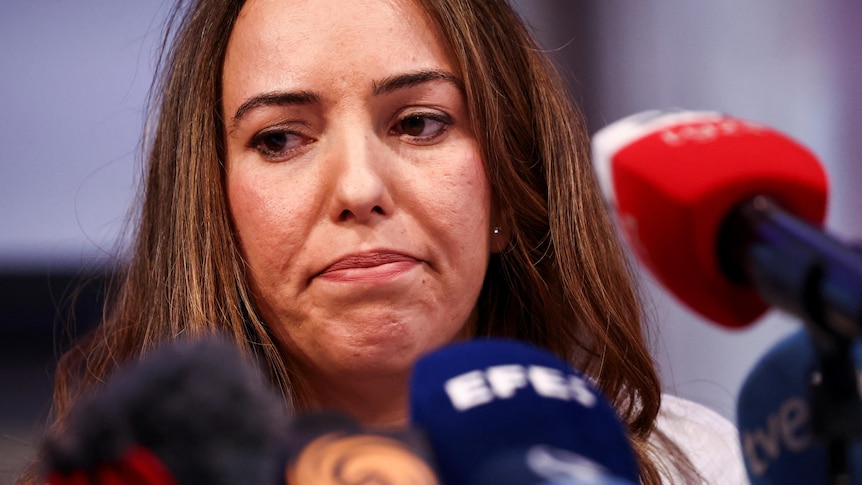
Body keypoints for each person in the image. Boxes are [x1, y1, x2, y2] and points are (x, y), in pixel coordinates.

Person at [21, 0, 746, 483]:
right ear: (214, 212)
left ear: (508, 186)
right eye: (280, 138)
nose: (359, 188)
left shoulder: (698, 463)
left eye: (419, 123)